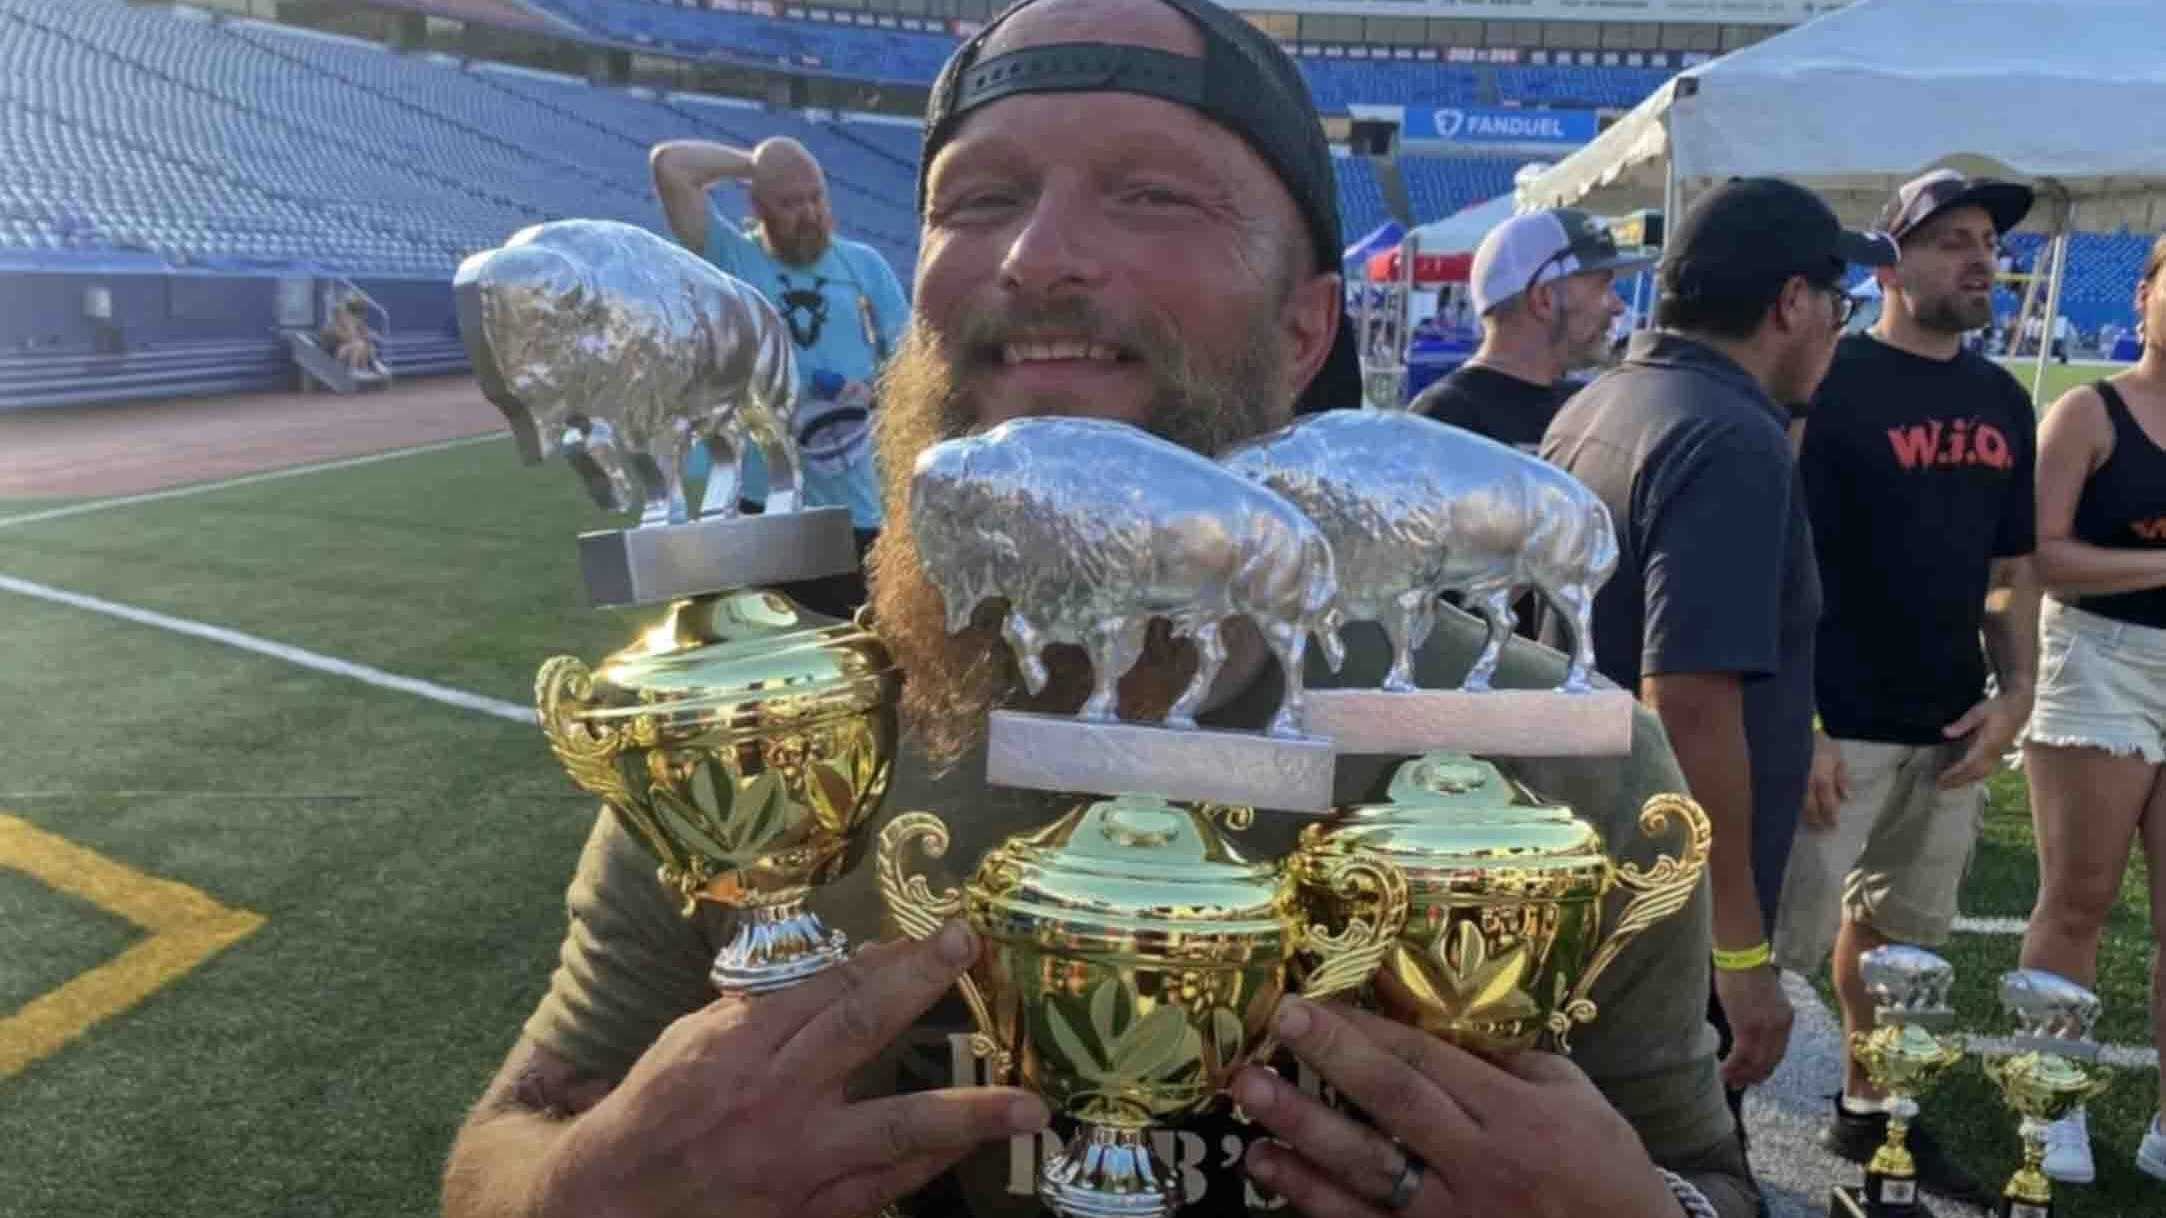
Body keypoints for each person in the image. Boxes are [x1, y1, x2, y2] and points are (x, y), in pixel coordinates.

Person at [439, 2, 1759, 1217]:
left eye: (1151, 195)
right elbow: (517, 1128)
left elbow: (1701, 1170)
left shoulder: (1556, 758)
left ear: (1307, 331)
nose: (1036, 255)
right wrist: (576, 1194)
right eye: (980, 199)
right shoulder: (767, 718)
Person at [1539, 177, 1896, 1150]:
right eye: (1840, 302)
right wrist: (1737, 950)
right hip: (1659, 923)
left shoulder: (1600, 403)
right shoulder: (1731, 436)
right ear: (1791, 303)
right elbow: (1690, 698)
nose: (1838, 327)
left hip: (1572, 874)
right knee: (1677, 1173)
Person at [1770, 169, 2041, 1209]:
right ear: (1890, 261)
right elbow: (1774, 559)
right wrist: (1801, 718)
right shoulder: (1829, 382)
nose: (1981, 258)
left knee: (1903, 944)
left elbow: (2012, 571)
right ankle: (1698, 1139)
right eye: (1951, 240)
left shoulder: (2001, 398)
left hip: (1953, 725)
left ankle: (1870, 1116)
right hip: (1837, 725)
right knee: (1755, 947)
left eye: (1987, 240)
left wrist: (2013, 693)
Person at [2017, 230, 2166, 1186]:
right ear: (2146, 296)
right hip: (2099, 660)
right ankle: (2051, 1101)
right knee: (2079, 896)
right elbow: (2040, 556)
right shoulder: (2088, 412)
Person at [650, 131, 911, 613]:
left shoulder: (863, 267)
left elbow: (910, 362)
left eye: (817, 198)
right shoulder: (730, 258)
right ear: (758, 204)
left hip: (853, 507)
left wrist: (869, 392)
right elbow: (671, 167)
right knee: (771, 658)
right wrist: (757, 162)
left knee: (859, 649)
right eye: (790, 202)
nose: (810, 214)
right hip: (761, 503)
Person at [1408, 208, 1649, 453]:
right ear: (1544, 300)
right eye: (1602, 288)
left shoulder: (1584, 405)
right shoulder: (1445, 419)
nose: (1618, 306)